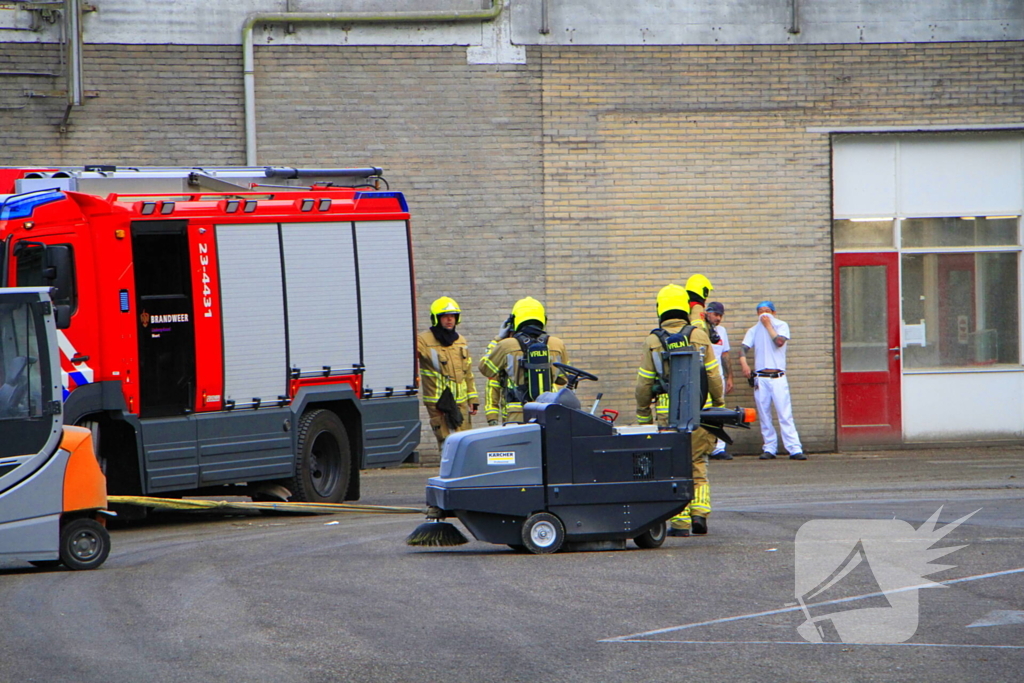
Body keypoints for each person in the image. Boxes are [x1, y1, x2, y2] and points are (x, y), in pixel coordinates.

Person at [635, 284, 725, 536]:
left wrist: (643, 416)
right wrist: (719, 407)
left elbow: (643, 385)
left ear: (660, 309)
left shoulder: (653, 341)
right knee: (698, 463)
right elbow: (713, 376)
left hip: (667, 419)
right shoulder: (699, 335)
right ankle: (700, 515)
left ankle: (681, 522)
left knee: (673, 466)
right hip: (701, 415)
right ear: (685, 308)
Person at [479, 297, 569, 425]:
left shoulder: (506, 346)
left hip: (516, 414)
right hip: (548, 412)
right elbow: (563, 378)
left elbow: (485, 369)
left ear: (514, 320)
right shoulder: (557, 344)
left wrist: (497, 340)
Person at [738, 301, 806, 460]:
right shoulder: (753, 330)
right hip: (761, 378)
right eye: (760, 311)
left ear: (774, 313)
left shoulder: (781, 326)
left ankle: (794, 448)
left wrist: (769, 325)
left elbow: (779, 342)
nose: (764, 314)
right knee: (764, 414)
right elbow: (743, 348)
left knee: (784, 413)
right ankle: (769, 447)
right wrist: (744, 364)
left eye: (767, 311)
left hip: (778, 377)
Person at [417, 296, 478, 449]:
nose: (449, 320)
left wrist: (473, 399)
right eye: (445, 316)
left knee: (465, 442)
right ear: (436, 319)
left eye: (452, 316)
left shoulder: (461, 341)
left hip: (461, 403)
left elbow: (468, 373)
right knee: (448, 443)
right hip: (440, 403)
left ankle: (463, 473)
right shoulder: (423, 341)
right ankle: (449, 472)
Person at [705, 301, 735, 460]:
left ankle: (719, 448)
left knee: (719, 410)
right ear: (707, 313)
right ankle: (704, 447)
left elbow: (725, 354)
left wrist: (730, 376)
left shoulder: (721, 331)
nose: (718, 319)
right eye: (716, 315)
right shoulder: (699, 330)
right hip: (703, 378)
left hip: (718, 378)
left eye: (720, 316)